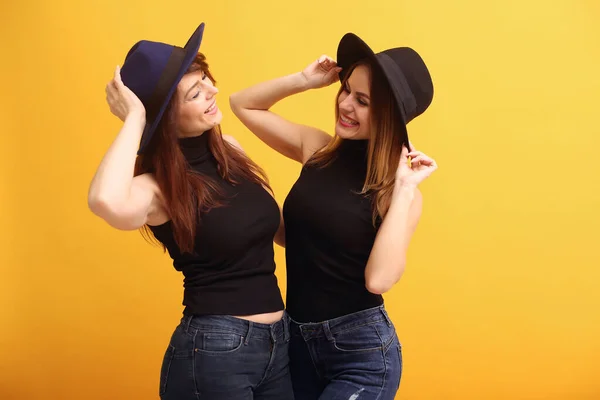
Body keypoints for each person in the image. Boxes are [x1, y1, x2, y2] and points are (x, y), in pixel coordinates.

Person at [87, 23, 294, 400]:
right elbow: (105, 201)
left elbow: (283, 234)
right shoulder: (156, 188)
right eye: (196, 92)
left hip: (279, 345)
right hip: (215, 351)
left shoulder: (230, 150)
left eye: (206, 79)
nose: (213, 90)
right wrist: (136, 118)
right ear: (166, 118)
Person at [229, 32, 437, 399]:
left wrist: (405, 189)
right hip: (294, 343)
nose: (345, 104)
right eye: (345, 90)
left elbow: (379, 280)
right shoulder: (317, 150)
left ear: (389, 116)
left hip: (360, 352)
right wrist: (303, 81)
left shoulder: (399, 192)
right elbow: (242, 104)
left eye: (363, 100)